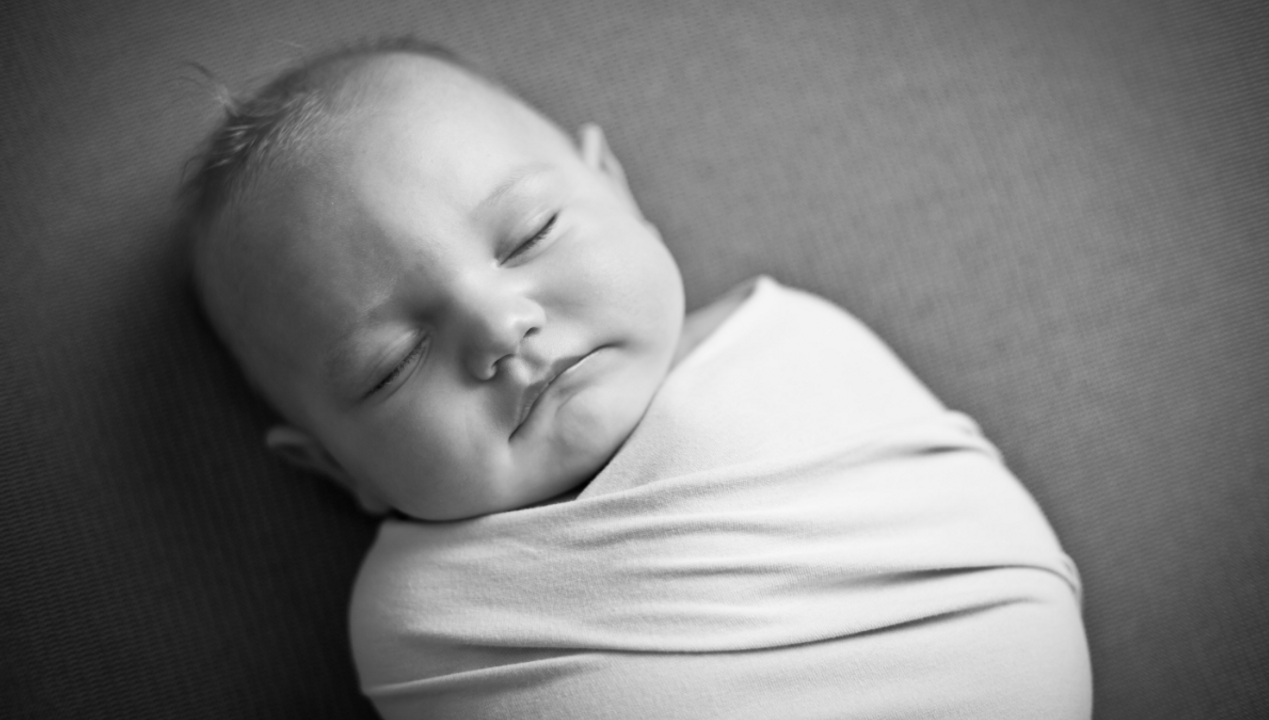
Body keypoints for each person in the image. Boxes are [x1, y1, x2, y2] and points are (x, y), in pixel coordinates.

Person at [184, 37, 1092, 719]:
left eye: (531, 233)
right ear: (337, 468)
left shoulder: (790, 346)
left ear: (615, 188)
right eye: (393, 363)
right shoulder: (426, 621)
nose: (500, 328)